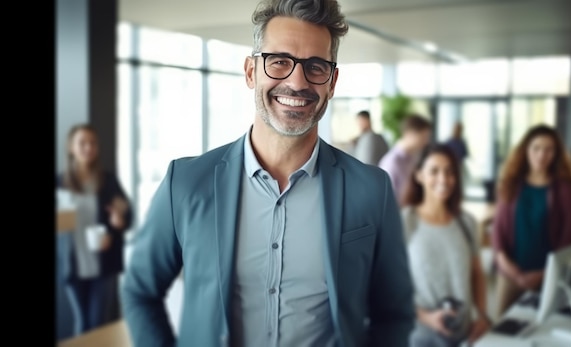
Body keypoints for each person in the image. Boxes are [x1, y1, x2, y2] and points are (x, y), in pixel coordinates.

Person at [121, 0, 415, 346]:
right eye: (279, 62)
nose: (297, 82)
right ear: (250, 72)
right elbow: (140, 291)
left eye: (316, 67)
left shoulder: (371, 189)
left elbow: (394, 315)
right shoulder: (185, 183)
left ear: (332, 82)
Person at [400, 143, 491, 347]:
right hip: (421, 336)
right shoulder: (405, 221)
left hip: (464, 336)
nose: (443, 179)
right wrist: (426, 317)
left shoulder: (466, 222)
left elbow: (477, 274)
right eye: (434, 171)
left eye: (449, 172)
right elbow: (388, 285)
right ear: (419, 175)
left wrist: (483, 316)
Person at [491, 124, 571, 318]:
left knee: (542, 331)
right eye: (536, 148)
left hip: (549, 277)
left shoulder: (564, 189)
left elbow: (568, 236)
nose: (541, 155)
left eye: (548, 149)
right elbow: (498, 231)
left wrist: (544, 273)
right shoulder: (510, 183)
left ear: (556, 153)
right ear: (526, 150)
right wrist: (508, 267)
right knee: (502, 330)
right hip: (510, 273)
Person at [56, 123, 133, 335]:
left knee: (98, 323)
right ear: (71, 147)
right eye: (82, 143)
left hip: (103, 263)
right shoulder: (59, 183)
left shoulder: (107, 181)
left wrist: (119, 222)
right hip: (72, 263)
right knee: (82, 323)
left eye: (92, 143)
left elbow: (126, 213)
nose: (88, 147)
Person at [378, 114, 432, 207]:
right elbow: (387, 202)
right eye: (423, 137)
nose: (426, 142)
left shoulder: (413, 157)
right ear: (409, 134)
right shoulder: (392, 162)